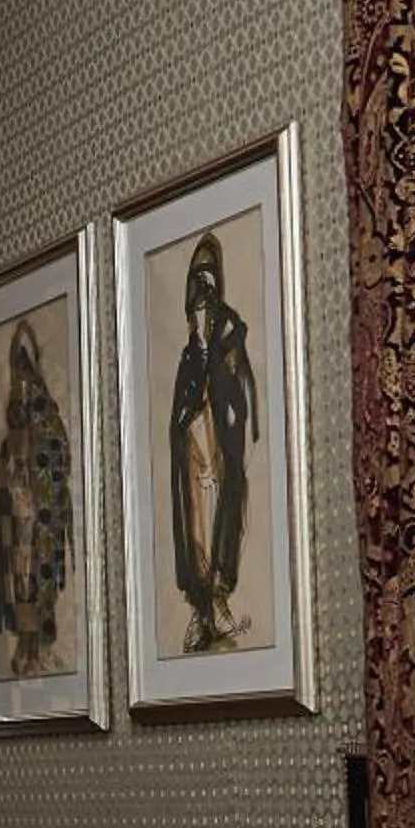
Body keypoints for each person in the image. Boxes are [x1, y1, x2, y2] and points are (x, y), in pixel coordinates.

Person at [165, 230, 256, 654]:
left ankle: (218, 600)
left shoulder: (230, 341)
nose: (201, 307)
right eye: (196, 300)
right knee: (194, 527)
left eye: (207, 293)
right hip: (191, 458)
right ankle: (200, 611)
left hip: (219, 454)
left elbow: (238, 400)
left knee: (220, 518)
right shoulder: (189, 356)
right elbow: (177, 416)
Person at [0, 318, 74, 679]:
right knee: (22, 579)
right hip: (22, 514)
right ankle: (27, 648)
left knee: (38, 577)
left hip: (43, 514)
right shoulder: (19, 413)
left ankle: (36, 645)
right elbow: (12, 460)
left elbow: (60, 458)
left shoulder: (48, 416)